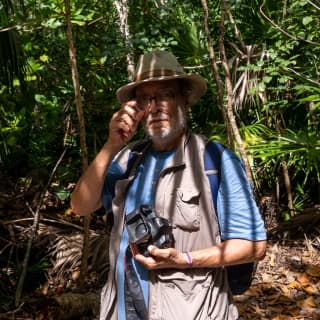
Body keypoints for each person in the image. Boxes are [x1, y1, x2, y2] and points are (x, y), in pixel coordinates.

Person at [71, 50, 267, 320]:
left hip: (193, 311)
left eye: (165, 94)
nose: (155, 106)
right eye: (144, 99)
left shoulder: (215, 160)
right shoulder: (128, 159)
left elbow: (253, 246)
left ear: (185, 100)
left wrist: (185, 259)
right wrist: (111, 145)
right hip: (122, 311)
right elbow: (80, 206)